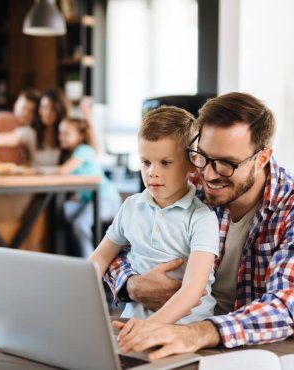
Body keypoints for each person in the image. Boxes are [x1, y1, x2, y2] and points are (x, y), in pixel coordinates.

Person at [105, 92, 294, 360]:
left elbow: (286, 308)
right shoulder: (188, 183)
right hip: (171, 340)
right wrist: (132, 285)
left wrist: (197, 333)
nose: (208, 175)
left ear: (262, 158)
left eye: (226, 164)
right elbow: (119, 248)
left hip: (254, 355)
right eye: (203, 157)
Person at [89, 106, 220, 325]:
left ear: (191, 164)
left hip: (184, 331)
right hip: (132, 326)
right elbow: (100, 258)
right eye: (146, 162)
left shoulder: (202, 219)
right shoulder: (131, 206)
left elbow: (193, 290)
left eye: (165, 163)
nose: (153, 172)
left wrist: (150, 328)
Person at [38, 117, 122, 257]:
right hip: (90, 200)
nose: (61, 137)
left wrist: (39, 170)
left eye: (66, 134)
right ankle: (66, 254)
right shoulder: (73, 154)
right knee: (63, 211)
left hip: (107, 199)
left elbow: (63, 171)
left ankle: (90, 262)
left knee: (80, 223)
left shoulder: (84, 149)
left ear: (80, 135)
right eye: (60, 133)